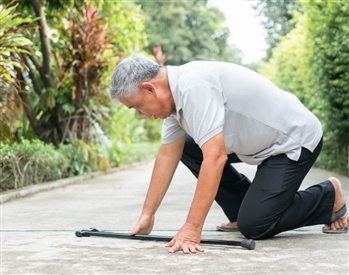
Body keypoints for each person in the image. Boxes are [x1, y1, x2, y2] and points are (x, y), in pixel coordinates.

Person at [109, 54, 348, 254]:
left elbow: (215, 157)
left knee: (254, 226)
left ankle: (327, 196)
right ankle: (240, 209)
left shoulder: (194, 86)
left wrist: (192, 228)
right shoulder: (174, 102)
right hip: (260, 144)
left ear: (149, 89)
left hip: (293, 142)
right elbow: (167, 156)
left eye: (137, 106)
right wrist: (147, 214)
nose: (141, 114)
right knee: (188, 147)